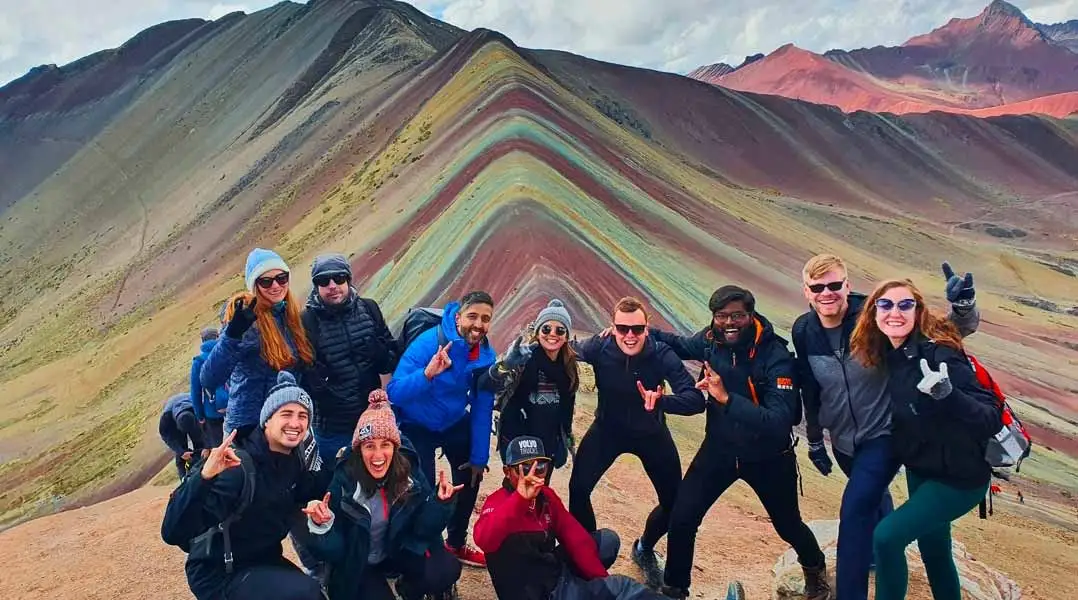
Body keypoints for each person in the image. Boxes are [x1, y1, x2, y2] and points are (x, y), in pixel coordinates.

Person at [794, 255, 979, 600]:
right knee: (872, 497)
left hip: (884, 435)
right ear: (807, 291)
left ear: (847, 285)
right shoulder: (804, 330)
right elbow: (810, 387)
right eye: (818, 287)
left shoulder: (874, 314)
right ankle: (882, 559)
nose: (827, 293)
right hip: (843, 440)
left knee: (854, 510)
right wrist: (816, 439)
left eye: (835, 285)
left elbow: (938, 331)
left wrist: (964, 307)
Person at [646, 285, 829, 600]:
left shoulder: (776, 356)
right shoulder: (711, 339)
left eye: (737, 316)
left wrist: (726, 398)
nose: (729, 322)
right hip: (719, 450)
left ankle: (816, 572)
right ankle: (674, 590)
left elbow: (779, 421)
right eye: (721, 316)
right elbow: (682, 345)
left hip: (768, 457)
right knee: (683, 517)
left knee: (788, 525)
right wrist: (642, 332)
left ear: (751, 314)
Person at [848, 279, 1001, 600]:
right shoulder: (890, 354)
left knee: (887, 537)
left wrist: (949, 395)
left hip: (960, 478)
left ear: (918, 312)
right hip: (923, 470)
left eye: (906, 305)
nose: (895, 312)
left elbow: (989, 417)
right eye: (886, 305)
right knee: (934, 550)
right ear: (873, 313)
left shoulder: (939, 354)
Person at [568, 296, 705, 588]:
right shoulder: (600, 346)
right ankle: (589, 555)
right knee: (578, 491)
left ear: (647, 327)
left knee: (673, 504)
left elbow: (696, 400)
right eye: (622, 328)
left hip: (651, 433)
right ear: (612, 327)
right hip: (607, 430)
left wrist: (662, 402)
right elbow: (564, 350)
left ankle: (644, 547)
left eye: (637, 329)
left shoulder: (662, 354)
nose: (630, 336)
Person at [161, 372, 332, 600]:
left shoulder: (293, 461)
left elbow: (306, 491)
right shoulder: (237, 467)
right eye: (286, 414)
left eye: (303, 416)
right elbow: (172, 531)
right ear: (267, 419)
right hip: (221, 573)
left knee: (315, 594)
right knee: (305, 594)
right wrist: (203, 477)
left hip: (263, 560)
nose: (295, 423)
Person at [301, 389, 463, 600]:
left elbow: (423, 529)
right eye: (369, 446)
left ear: (395, 447)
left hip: (397, 552)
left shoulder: (409, 472)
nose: (378, 455)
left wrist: (440, 503)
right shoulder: (344, 479)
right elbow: (334, 552)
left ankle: (408, 588)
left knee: (443, 570)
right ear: (359, 450)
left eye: (385, 445)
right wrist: (322, 527)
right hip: (362, 563)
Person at [474, 435, 669, 600]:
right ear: (508, 472)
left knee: (607, 541)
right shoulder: (496, 503)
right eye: (524, 467)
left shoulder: (546, 497)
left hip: (552, 570)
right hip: (535, 590)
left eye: (540, 466)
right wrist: (519, 501)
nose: (532, 474)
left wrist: (601, 584)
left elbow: (575, 537)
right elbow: (485, 539)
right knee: (623, 587)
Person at [386, 290, 498, 567]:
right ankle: (423, 550)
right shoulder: (428, 343)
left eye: (485, 319)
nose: (478, 324)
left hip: (452, 421)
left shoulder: (484, 356)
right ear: (458, 317)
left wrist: (479, 458)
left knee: (471, 477)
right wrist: (428, 374)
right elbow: (395, 392)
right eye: (472, 316)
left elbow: (483, 406)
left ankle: (456, 543)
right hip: (417, 423)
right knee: (422, 490)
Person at [200, 248, 315, 439]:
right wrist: (232, 335)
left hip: (284, 424)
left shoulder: (289, 316)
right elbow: (209, 379)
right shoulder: (246, 322)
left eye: (282, 278)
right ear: (254, 286)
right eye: (266, 281)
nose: (276, 285)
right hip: (248, 429)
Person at [301, 253, 400, 464]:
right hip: (332, 428)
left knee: (376, 482)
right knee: (337, 487)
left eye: (338, 278)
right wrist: (315, 386)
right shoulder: (306, 321)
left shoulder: (370, 309)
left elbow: (392, 361)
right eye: (323, 281)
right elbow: (298, 375)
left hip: (371, 420)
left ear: (348, 280)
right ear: (316, 286)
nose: (332, 285)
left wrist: (380, 353)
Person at [485, 299, 579, 481]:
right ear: (537, 332)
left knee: (541, 488)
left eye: (560, 330)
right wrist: (506, 365)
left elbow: (568, 405)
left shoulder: (569, 367)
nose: (553, 334)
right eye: (546, 329)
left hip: (548, 441)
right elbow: (493, 388)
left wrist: (567, 439)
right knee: (516, 490)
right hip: (517, 436)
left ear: (566, 336)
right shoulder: (522, 358)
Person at [191, 327, 229, 447]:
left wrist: (200, 415)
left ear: (202, 341)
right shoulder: (226, 353)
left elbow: (196, 392)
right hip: (233, 402)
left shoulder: (198, 361)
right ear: (217, 337)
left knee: (218, 447)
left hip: (212, 410)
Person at [160, 393, 208, 479]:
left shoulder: (199, 407)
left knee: (200, 445)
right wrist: (180, 452)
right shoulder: (166, 418)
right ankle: (183, 480)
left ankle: (204, 473)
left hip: (192, 413)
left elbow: (210, 427)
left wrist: (207, 446)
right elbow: (166, 436)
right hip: (174, 417)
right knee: (181, 451)